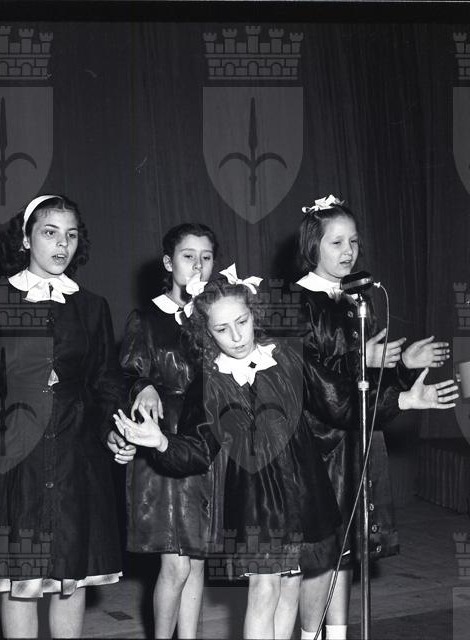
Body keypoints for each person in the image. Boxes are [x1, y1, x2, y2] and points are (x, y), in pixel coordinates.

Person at [114, 273, 457, 639]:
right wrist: (161, 442)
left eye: (242, 322)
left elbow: (339, 402)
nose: (236, 336)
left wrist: (403, 398)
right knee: (264, 590)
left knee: (290, 586)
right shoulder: (210, 381)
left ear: (254, 314)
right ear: (206, 333)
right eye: (222, 329)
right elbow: (198, 451)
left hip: (304, 487)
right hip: (256, 500)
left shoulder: (289, 356)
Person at [0, 194, 134, 639]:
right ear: (27, 239)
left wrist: (113, 429)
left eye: (71, 235)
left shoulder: (92, 306)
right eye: (50, 233)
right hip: (16, 454)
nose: (62, 244)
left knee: (71, 578)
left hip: (77, 454)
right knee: (22, 578)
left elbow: (105, 381)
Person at [295, 194, 451, 640]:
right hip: (318, 443)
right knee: (321, 556)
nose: (348, 251)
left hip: (355, 440)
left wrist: (401, 368)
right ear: (313, 245)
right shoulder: (297, 302)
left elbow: (366, 381)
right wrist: (365, 361)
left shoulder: (354, 300)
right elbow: (319, 385)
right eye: (336, 242)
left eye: (354, 241)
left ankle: (338, 635)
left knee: (347, 550)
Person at [120, 223, 218, 639]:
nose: (198, 265)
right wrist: (142, 386)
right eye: (188, 256)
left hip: (206, 441)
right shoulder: (146, 318)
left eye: (206, 257)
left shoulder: (216, 316)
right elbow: (127, 373)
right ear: (168, 262)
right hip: (163, 443)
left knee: (196, 560)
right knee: (175, 563)